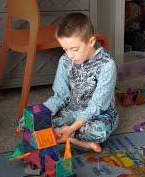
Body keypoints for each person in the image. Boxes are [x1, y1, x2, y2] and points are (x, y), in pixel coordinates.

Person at [43, 12, 118, 152]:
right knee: (29, 122)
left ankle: (65, 136)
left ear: (91, 42)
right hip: (71, 111)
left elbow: (97, 105)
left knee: (99, 131)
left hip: (98, 114)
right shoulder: (65, 60)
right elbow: (60, 95)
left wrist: (71, 128)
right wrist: (43, 112)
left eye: (75, 49)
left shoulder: (107, 65)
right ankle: (77, 141)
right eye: (65, 49)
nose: (70, 55)